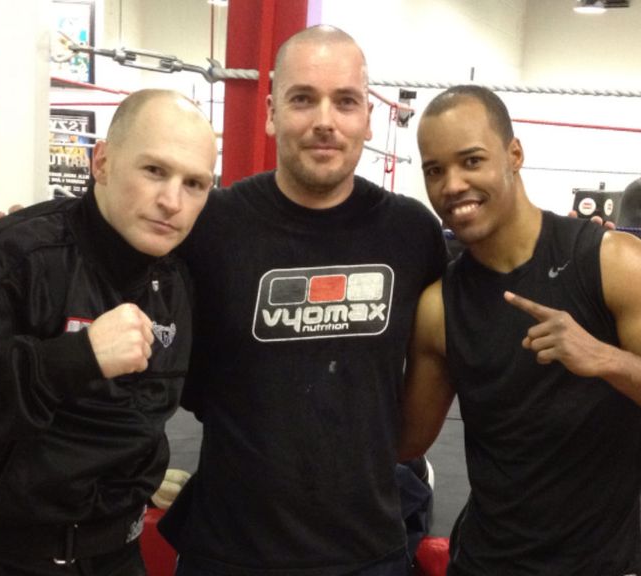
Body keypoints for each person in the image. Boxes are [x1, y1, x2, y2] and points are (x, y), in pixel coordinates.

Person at [159, 25, 448, 576]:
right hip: (230, 552)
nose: (324, 121)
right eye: (302, 99)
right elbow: (144, 355)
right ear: (270, 112)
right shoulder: (210, 226)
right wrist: (132, 469)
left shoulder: (413, 234)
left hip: (369, 552)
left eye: (344, 102)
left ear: (367, 116)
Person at [0, 88, 217, 575]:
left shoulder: (180, 281)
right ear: (102, 161)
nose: (171, 201)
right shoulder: (13, 257)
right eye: (154, 171)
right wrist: (73, 359)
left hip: (117, 557)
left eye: (194, 184)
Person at [399, 85, 641, 575]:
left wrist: (606, 359)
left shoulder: (610, 262)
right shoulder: (440, 306)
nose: (451, 184)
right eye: (435, 170)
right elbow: (406, 441)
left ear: (514, 154)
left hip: (603, 564)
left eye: (471, 161)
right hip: (486, 563)